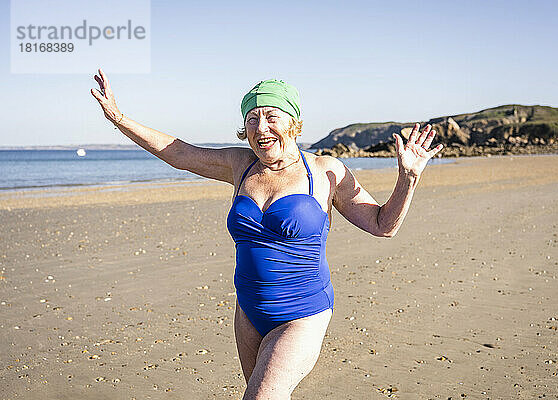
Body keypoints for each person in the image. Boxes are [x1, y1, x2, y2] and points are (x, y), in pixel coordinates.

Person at [91, 69, 443, 399]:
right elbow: (179, 153)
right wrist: (119, 119)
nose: (262, 128)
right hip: (248, 313)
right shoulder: (240, 165)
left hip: (302, 313)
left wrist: (408, 178)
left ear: (293, 123)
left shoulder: (324, 172)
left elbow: (383, 224)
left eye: (272, 117)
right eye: (252, 119)